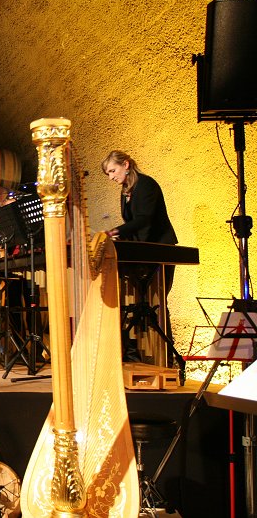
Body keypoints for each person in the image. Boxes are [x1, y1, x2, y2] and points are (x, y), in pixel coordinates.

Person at [101, 150, 177, 362]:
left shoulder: (146, 185)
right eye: (108, 173)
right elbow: (132, 223)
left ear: (126, 165)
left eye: (112, 171)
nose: (111, 177)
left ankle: (165, 359)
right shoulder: (126, 190)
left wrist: (115, 232)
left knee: (156, 303)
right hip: (142, 249)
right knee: (138, 303)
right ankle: (134, 354)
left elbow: (144, 220)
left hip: (159, 248)